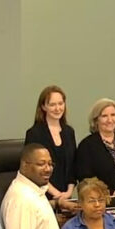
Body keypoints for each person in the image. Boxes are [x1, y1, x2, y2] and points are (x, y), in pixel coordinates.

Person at [25, 85, 79, 213]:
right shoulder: (34, 133)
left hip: (67, 196)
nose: (57, 108)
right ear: (44, 107)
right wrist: (57, 195)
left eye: (60, 103)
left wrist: (68, 192)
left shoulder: (69, 132)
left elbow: (73, 166)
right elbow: (34, 170)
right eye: (52, 104)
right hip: (43, 197)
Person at [75, 98, 115, 203]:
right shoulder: (87, 145)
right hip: (102, 203)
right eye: (104, 116)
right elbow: (85, 181)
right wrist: (111, 193)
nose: (110, 120)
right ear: (96, 120)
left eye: (113, 115)